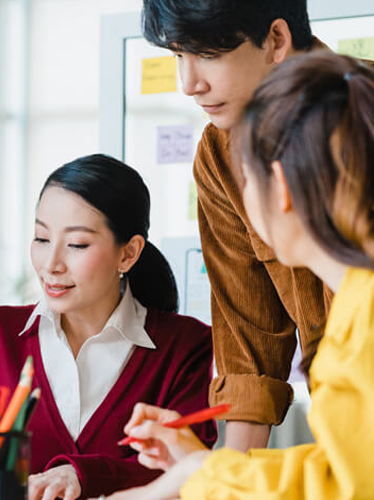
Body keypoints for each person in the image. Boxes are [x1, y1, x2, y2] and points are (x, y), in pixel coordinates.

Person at [106, 51, 374, 500]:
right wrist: (203, 466)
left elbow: (344, 487)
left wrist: (193, 478)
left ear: (281, 186)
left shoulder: (363, 322)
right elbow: (343, 465)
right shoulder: (355, 304)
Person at [0, 155, 216, 500]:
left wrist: (83, 476)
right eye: (41, 238)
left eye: (76, 245)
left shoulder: (185, 346)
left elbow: (191, 472)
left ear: (128, 254)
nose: (51, 265)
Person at [140, 0, 347, 452]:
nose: (188, 84)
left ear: (276, 40)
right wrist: (225, 477)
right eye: (178, 55)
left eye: (206, 53)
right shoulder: (218, 155)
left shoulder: (362, 117)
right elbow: (247, 347)